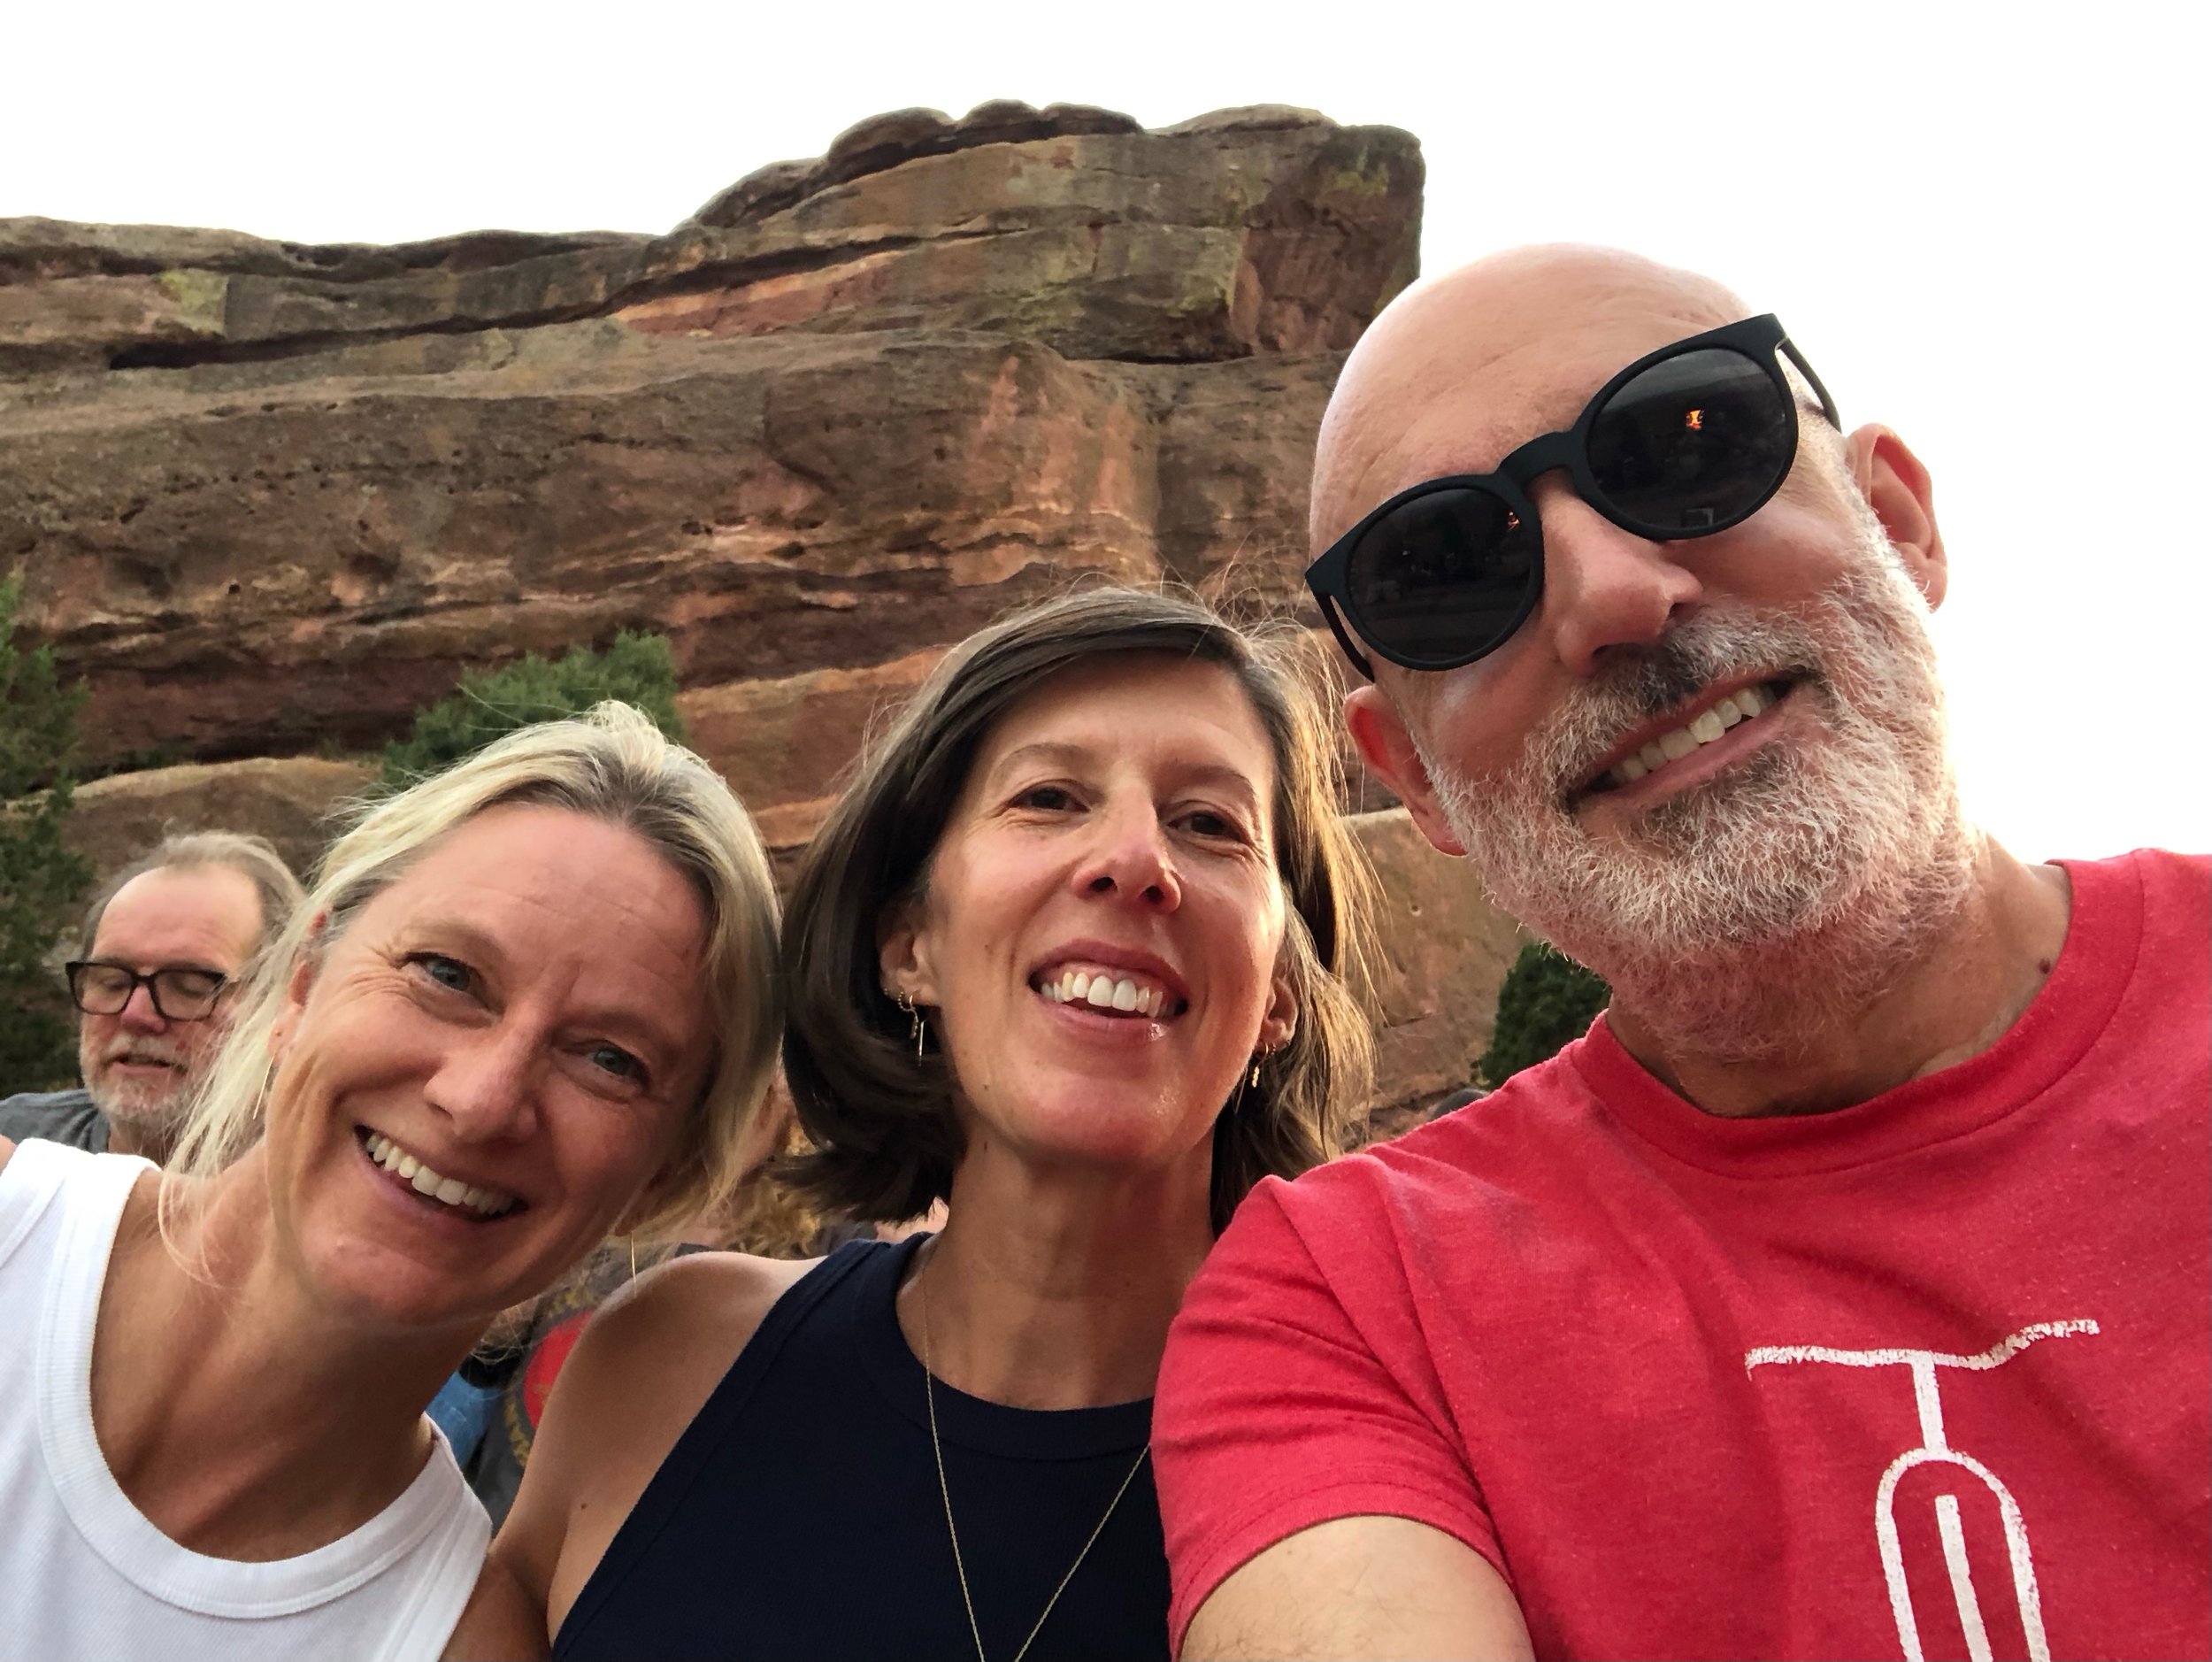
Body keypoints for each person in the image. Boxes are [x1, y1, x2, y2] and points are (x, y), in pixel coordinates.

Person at [1154, 247, 2210, 1660]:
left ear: (1900, 518)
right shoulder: (1353, 1306)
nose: (1612, 598)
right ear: (1409, 774)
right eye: (1448, 570)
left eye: (1684, 444)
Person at [466, 587, 1376, 1660]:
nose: (1135, 861)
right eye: (1047, 798)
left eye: (1209, 824)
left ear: (1279, 993)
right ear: (909, 948)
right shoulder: (665, 1366)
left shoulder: (1382, 1458)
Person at [0, 703, 781, 1659]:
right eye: (447, 973)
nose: (482, 1100)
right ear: (299, 985)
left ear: (662, 1179)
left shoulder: (456, 1641)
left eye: (610, 1060)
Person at [0, 831, 304, 1161]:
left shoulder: (336, 1191)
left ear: (288, 1003)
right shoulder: (14, 1142)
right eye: (112, 982)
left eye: (189, 987)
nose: (135, 1014)